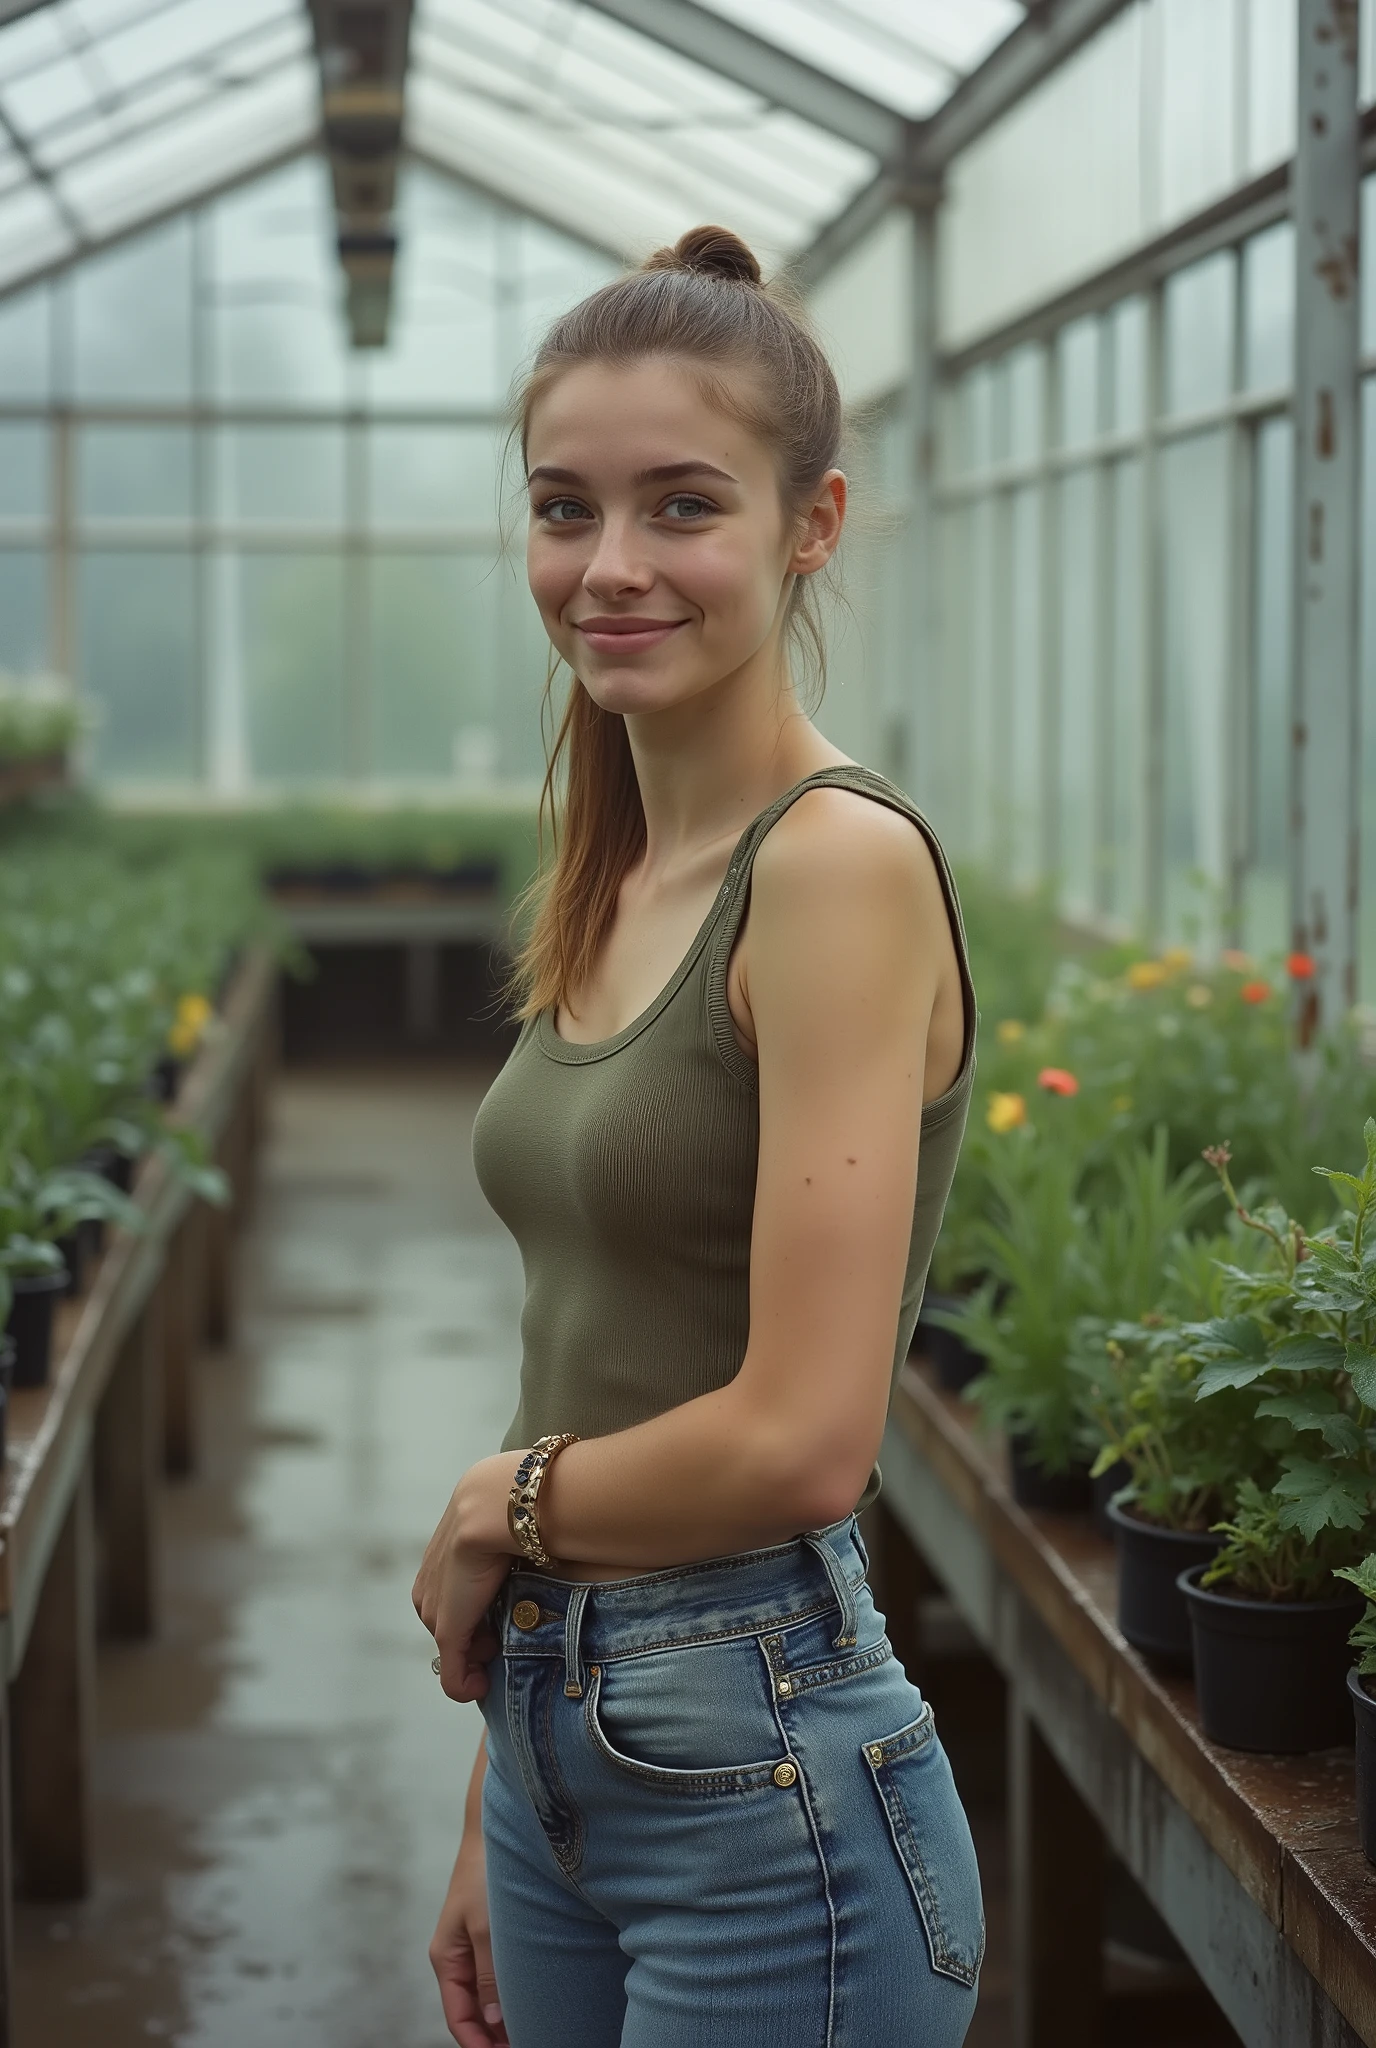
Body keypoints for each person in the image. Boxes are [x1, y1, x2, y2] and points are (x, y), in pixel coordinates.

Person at [412, 223, 982, 2048]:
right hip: (569, 1748)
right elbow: (589, 1351)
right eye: (563, 508)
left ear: (813, 525)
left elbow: (808, 1441)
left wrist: (493, 1507)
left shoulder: (834, 867)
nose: (609, 566)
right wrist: (502, 1801)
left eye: (682, 506)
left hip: (763, 1775)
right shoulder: (617, 867)